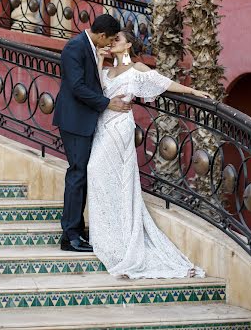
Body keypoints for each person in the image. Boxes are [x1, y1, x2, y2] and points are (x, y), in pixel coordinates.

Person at [87, 29, 210, 278]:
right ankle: (108, 235)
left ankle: (122, 240)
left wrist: (193, 92)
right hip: (103, 124)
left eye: (117, 39)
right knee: (97, 173)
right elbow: (98, 91)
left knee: (110, 175)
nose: (112, 42)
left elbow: (163, 82)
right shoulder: (107, 69)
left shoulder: (138, 68)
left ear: (129, 45)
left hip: (120, 127)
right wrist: (100, 60)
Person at [53, 14, 132, 253]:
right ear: (101, 35)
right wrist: (108, 103)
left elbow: (95, 79)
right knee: (77, 175)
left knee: (82, 175)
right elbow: (77, 87)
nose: (109, 45)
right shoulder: (74, 48)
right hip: (75, 121)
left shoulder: (89, 46)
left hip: (83, 121)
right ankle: (70, 236)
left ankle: (77, 230)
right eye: (108, 40)